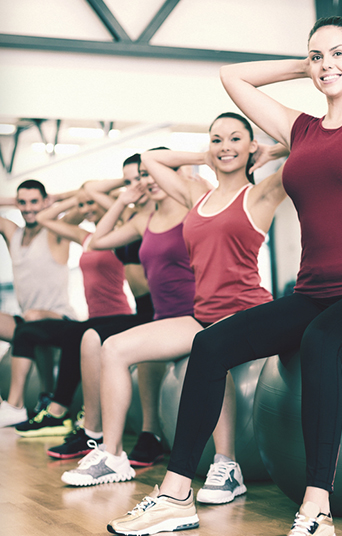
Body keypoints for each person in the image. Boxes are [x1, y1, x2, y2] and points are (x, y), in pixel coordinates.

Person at [106, 16, 342, 536]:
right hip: (314, 290)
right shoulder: (300, 129)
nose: (326, 65)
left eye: (338, 54)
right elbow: (234, 77)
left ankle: (317, 505)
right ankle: (176, 495)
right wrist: (308, 65)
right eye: (317, 56)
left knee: (320, 342)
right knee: (210, 346)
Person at [61, 113, 287, 506]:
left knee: (213, 350)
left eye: (235, 139)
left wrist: (269, 150)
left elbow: (309, 144)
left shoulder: (261, 194)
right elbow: (150, 159)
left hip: (247, 309)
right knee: (113, 349)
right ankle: (113, 455)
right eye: (217, 139)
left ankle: (227, 465)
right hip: (199, 314)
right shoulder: (194, 199)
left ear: (252, 146)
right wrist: (208, 151)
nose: (225, 146)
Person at [49, 154, 196, 465]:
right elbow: (96, 240)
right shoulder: (140, 218)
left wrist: (193, 164)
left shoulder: (192, 206)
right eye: (138, 176)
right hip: (155, 310)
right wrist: (125, 193)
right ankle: (98, 435)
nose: (144, 181)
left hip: (189, 311)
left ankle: (145, 433)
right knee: (91, 338)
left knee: (120, 345)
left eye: (148, 174)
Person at [13, 183, 134, 437]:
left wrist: (95, 195)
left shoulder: (124, 234)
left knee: (75, 335)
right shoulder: (87, 237)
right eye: (83, 205)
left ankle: (59, 412)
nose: (86, 209)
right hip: (93, 319)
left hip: (118, 315)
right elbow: (44, 217)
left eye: (91, 203)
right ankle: (47, 406)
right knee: (33, 331)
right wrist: (74, 197)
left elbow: (120, 210)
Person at [0, 180, 78, 428]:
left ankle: (32, 400)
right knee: (29, 320)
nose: (28, 208)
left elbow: (85, 197)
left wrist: (55, 198)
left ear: (45, 201)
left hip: (61, 320)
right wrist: (14, 203)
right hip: (26, 322)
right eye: (22, 202)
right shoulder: (14, 233)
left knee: (34, 318)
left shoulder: (56, 231)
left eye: (34, 201)